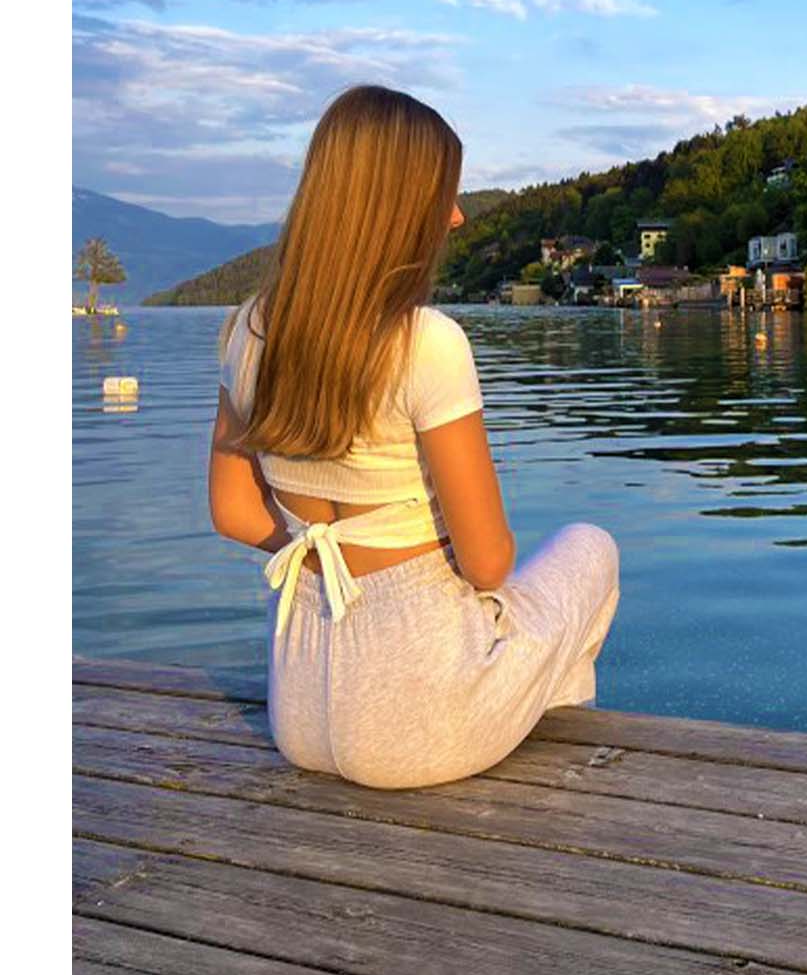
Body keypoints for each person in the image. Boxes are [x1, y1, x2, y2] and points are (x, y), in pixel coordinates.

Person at [208, 85, 620, 789]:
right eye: (444, 194)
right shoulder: (426, 342)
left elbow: (235, 513)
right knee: (590, 546)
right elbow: (487, 563)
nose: (456, 215)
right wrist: (410, 569)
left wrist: (325, 554)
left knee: (515, 614)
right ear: (395, 205)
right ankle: (542, 740)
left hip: (301, 718)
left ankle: (514, 703)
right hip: (424, 728)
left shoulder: (248, 330)